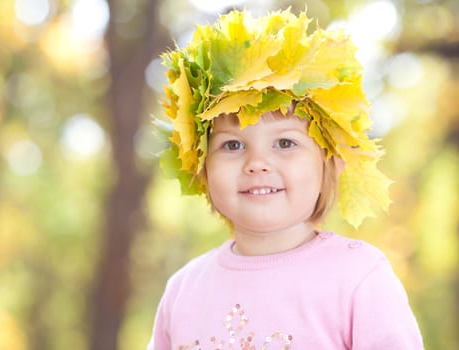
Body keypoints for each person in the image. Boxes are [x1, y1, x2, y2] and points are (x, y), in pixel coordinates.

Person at [148, 9, 423, 349]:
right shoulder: (183, 290)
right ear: (200, 165)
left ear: (330, 162)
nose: (257, 163)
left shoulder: (358, 278)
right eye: (232, 144)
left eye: (285, 143)